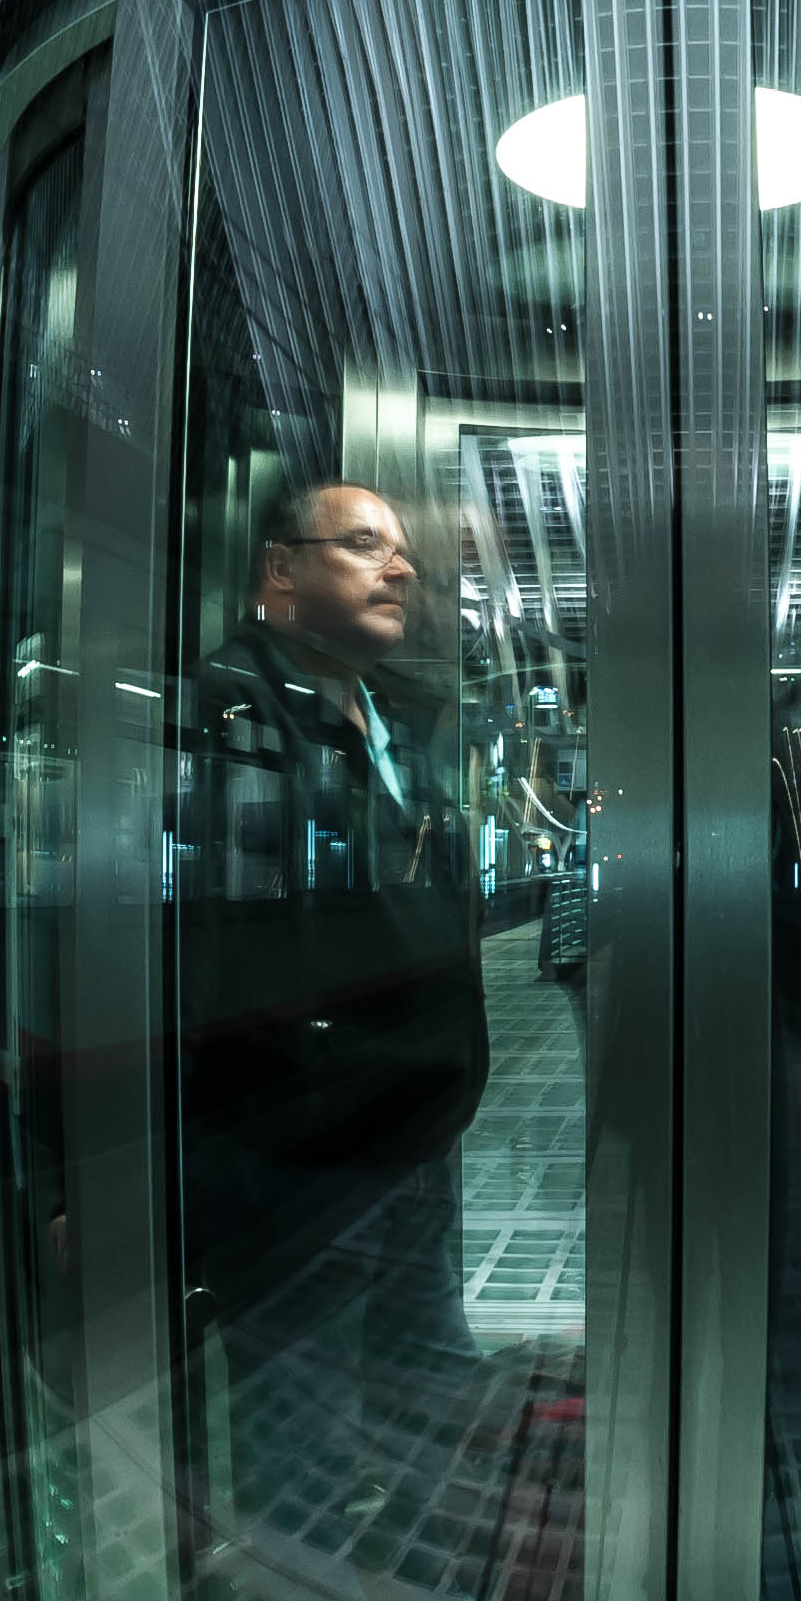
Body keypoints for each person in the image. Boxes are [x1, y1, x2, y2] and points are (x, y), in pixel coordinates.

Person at [180, 478, 490, 1441]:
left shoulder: (397, 719)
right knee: (299, 1440)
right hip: (297, 1169)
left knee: (431, 1413)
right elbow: (190, 951)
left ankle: (415, 1582)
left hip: (410, 1149)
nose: (400, 570)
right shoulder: (227, 711)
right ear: (281, 569)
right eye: (364, 545)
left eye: (403, 552)